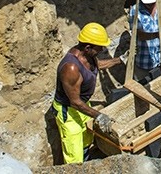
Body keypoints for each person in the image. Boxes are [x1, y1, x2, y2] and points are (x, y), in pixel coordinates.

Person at [52, 22, 125, 164]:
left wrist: (119, 60)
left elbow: (99, 65)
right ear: (87, 47)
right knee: (74, 153)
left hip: (82, 105)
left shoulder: (89, 56)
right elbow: (74, 101)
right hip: (69, 110)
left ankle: (86, 160)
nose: (103, 48)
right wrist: (99, 115)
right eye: (100, 47)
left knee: (86, 138)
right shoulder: (71, 68)